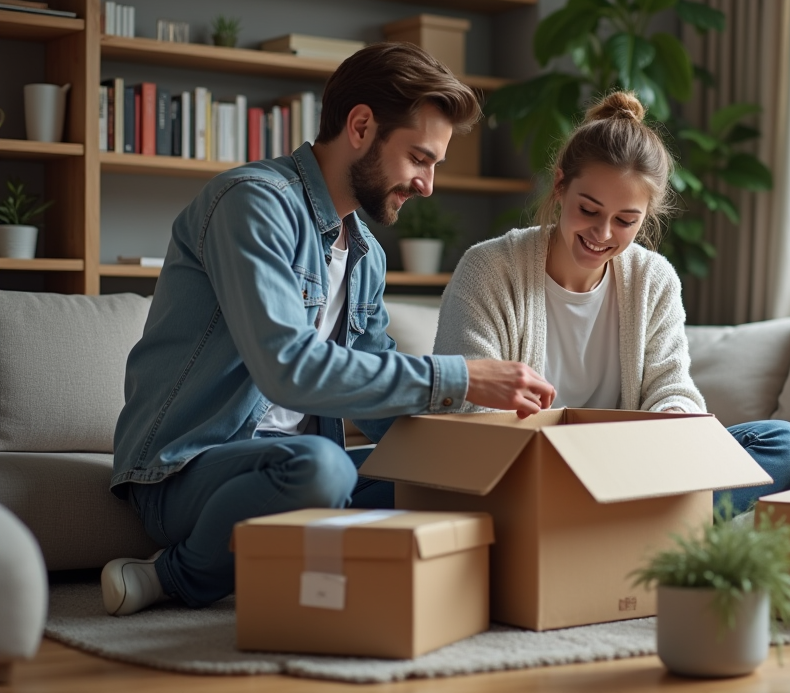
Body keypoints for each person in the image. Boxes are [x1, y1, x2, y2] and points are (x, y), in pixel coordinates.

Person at [103, 43, 555, 617]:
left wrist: (477, 449)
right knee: (320, 466)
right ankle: (177, 576)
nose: (427, 185)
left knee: (462, 484)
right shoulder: (253, 204)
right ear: (362, 126)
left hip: (299, 469)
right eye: (419, 157)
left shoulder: (363, 254)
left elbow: (374, 403)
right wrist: (460, 377)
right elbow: (289, 370)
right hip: (185, 469)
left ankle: (311, 566)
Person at [433, 90, 790, 513]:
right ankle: (642, 525)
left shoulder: (654, 279)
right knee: (373, 480)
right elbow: (466, 407)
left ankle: (613, 523)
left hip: (628, 471)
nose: (603, 233)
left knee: (785, 445)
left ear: (645, 217)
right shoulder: (489, 269)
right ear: (560, 185)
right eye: (589, 210)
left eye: (626, 220)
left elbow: (671, 384)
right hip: (524, 473)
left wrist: (675, 416)